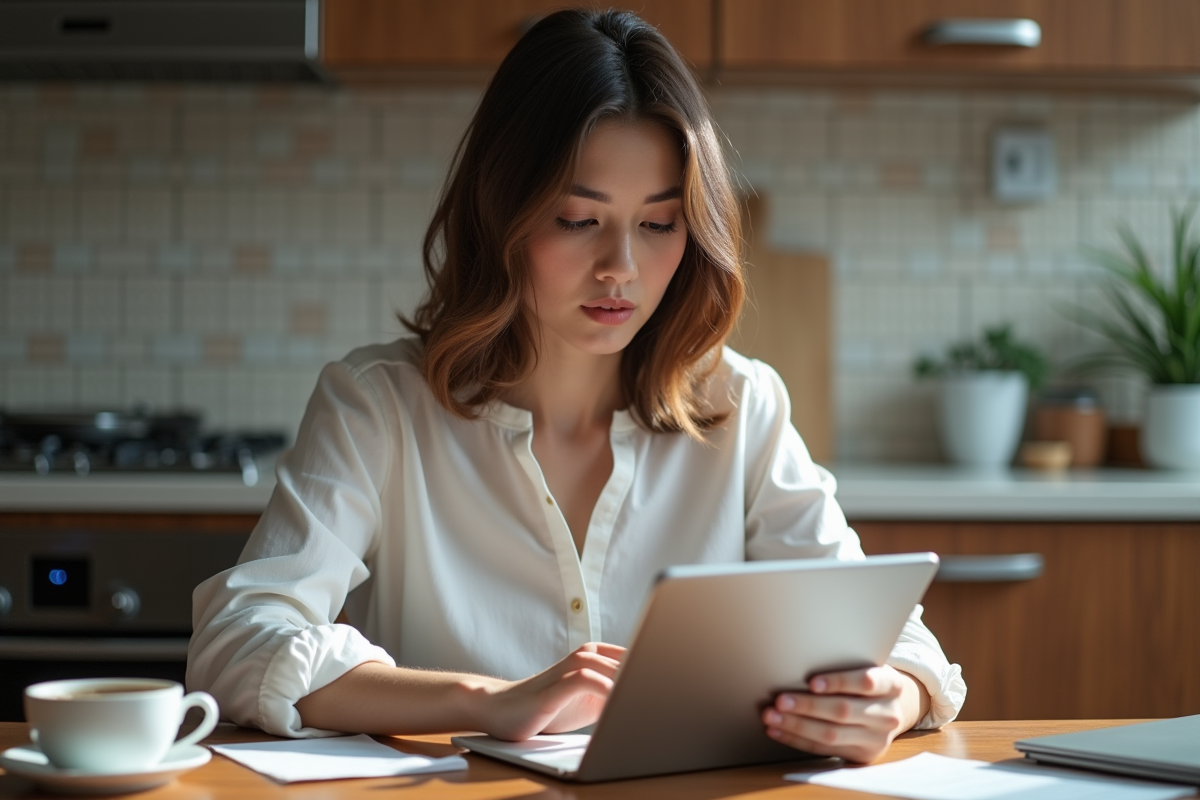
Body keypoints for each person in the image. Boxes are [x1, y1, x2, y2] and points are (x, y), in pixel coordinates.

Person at [187, 8, 965, 764]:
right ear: (502, 214)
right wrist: (486, 700)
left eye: (658, 224)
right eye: (576, 218)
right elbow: (238, 640)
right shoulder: (378, 404)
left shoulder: (742, 405)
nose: (621, 267)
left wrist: (888, 699)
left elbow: (897, 640)